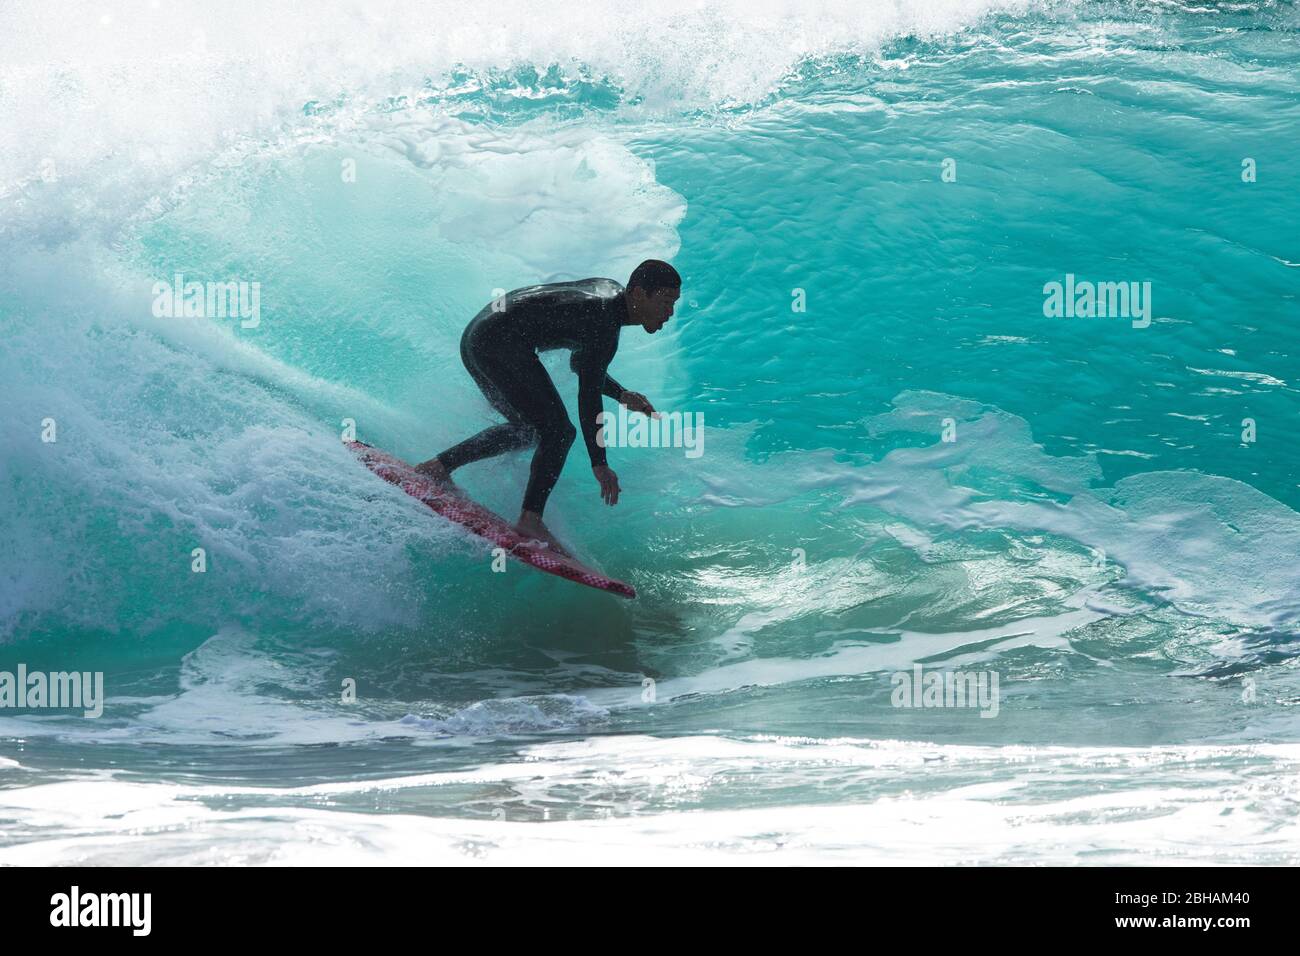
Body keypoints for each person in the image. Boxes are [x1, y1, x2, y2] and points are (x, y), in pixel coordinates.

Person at [416, 259, 681, 556]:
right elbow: (588, 395)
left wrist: (621, 394)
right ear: (637, 293)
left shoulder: (608, 299)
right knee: (558, 432)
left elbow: (580, 363)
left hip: (478, 337)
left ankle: (436, 467)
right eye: (664, 302)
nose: (669, 313)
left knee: (531, 431)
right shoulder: (604, 322)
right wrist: (600, 463)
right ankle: (530, 520)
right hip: (497, 341)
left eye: (673, 304)